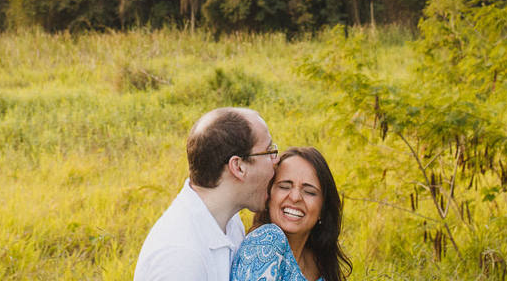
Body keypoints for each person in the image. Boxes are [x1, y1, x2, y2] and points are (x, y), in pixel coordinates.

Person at [133, 107, 279, 281]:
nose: (276, 161)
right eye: (269, 152)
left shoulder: (228, 221)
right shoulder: (181, 259)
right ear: (238, 167)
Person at [230, 146, 351, 281]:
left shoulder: (320, 261)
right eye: (284, 186)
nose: (295, 197)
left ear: (323, 208)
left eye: (309, 192)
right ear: (268, 196)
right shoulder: (267, 241)